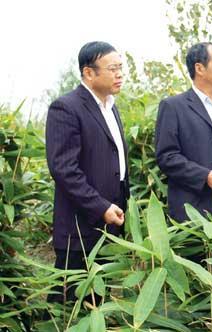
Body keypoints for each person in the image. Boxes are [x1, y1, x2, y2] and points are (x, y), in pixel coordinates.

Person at [45, 41, 129, 303]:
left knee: (96, 304)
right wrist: (100, 206)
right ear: (88, 73)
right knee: (68, 304)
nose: (119, 74)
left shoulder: (110, 107)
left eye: (120, 68)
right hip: (80, 228)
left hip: (109, 224)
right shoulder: (66, 107)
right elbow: (64, 169)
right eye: (112, 68)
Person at [155, 42, 212, 222]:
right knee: (197, 250)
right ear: (200, 68)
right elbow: (167, 157)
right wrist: (205, 176)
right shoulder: (173, 107)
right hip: (192, 204)